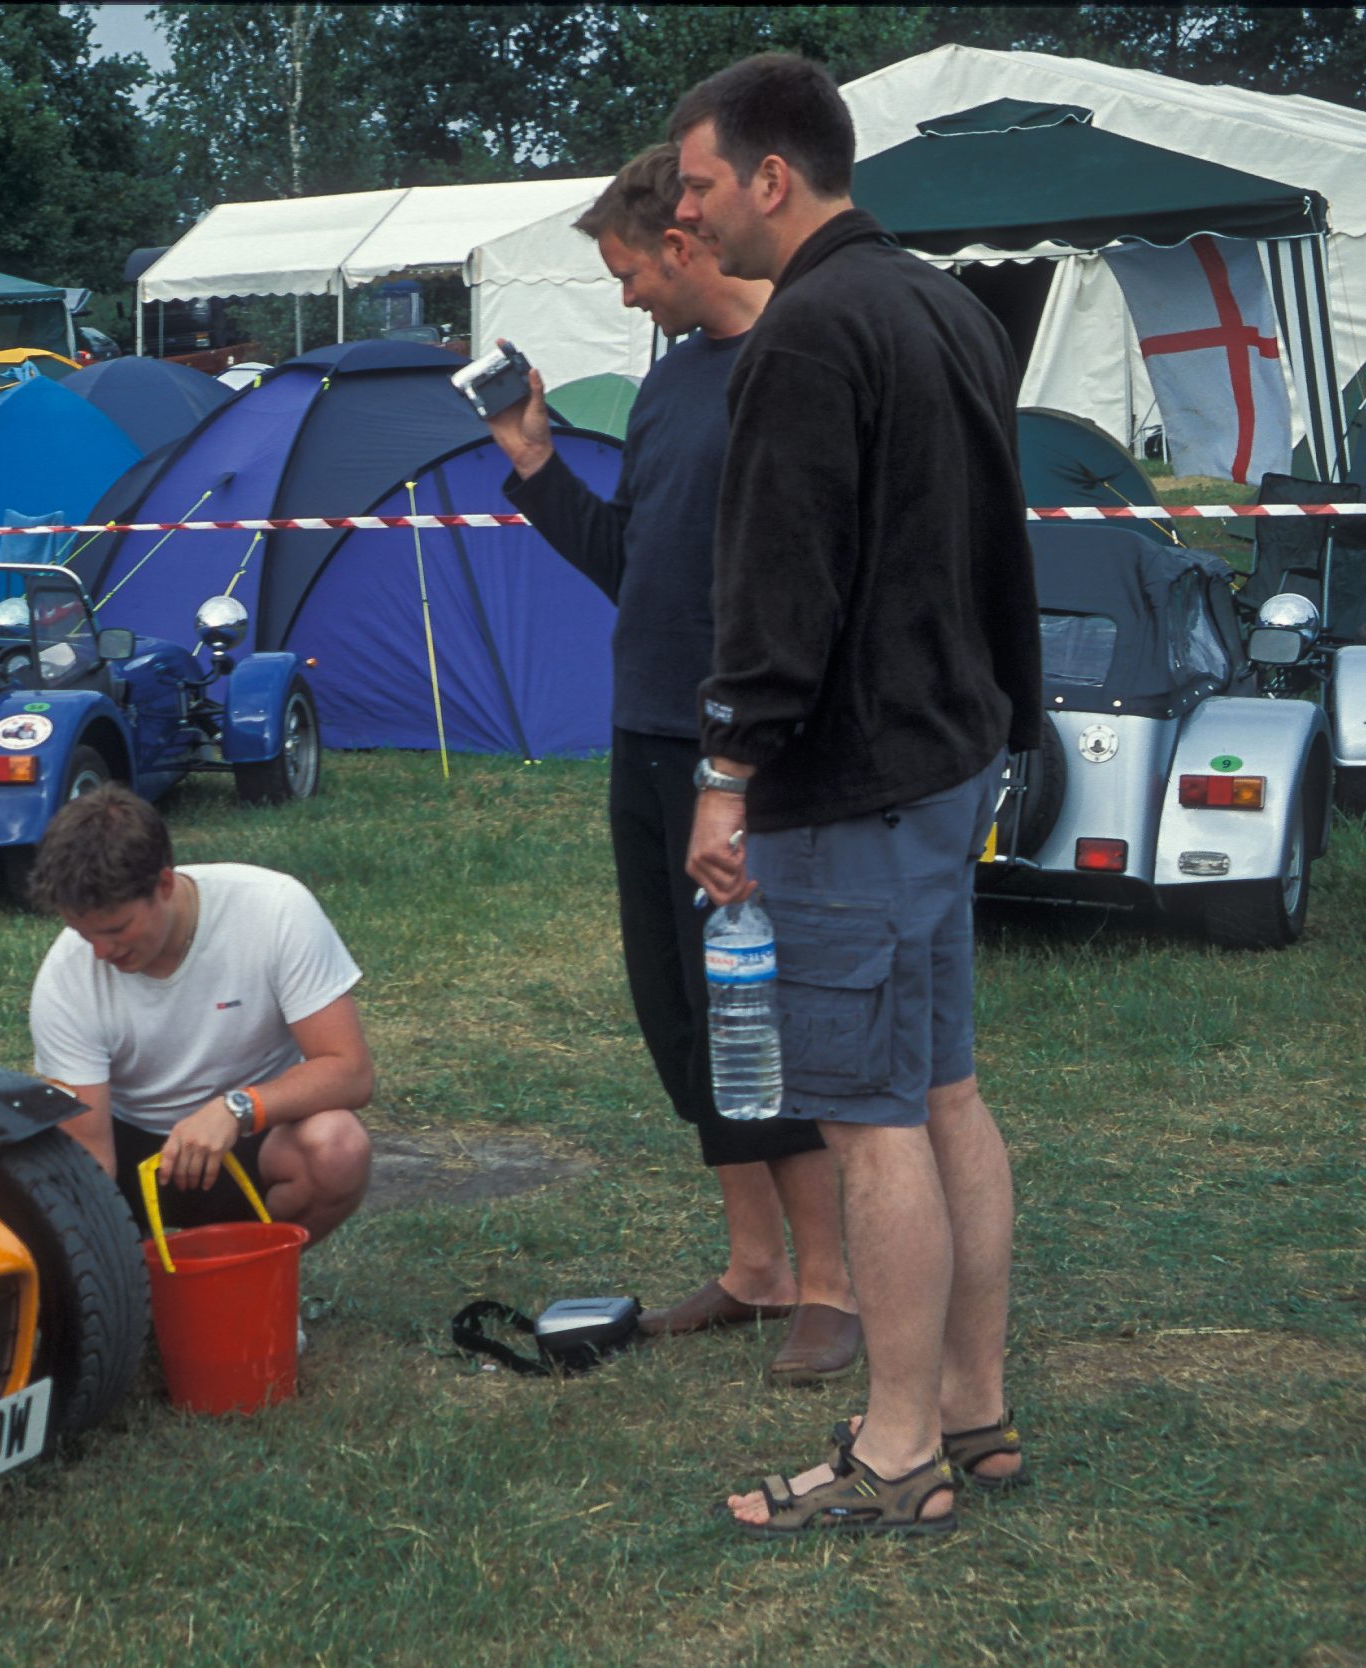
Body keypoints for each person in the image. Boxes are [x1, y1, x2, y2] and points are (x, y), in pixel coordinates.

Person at [668, 53, 1040, 1536]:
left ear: (773, 177)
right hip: (949, 760)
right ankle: (973, 1407)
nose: (685, 211)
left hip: (856, 783)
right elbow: (1005, 544)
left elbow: (781, 582)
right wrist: (1011, 713)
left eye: (697, 183)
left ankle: (897, 1452)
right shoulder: (946, 300)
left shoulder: (812, 331)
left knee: (872, 1116)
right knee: (943, 1089)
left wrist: (726, 771)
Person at [488, 145, 857, 1383]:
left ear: (685, 247)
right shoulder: (667, 388)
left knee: (758, 1013)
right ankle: (754, 1271)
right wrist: (535, 463)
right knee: (680, 1017)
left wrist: (741, 764)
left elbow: (804, 587)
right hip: (641, 740)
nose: (626, 297)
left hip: (735, 755)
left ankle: (834, 1284)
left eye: (629, 272)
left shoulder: (789, 366)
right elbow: (629, 564)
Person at [28, 786, 374, 1246]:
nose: (100, 952)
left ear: (164, 885)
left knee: (338, 1147)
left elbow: (350, 1072)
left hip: (251, 1140)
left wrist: (236, 1109)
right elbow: (90, 1157)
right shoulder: (67, 976)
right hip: (131, 1149)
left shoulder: (274, 909)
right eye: (81, 932)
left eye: (115, 930)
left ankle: (257, 1280)